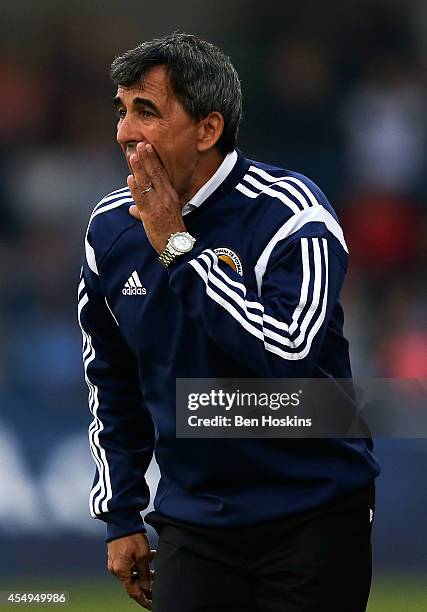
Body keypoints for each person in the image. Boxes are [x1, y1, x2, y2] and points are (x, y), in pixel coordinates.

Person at [78, 33, 379, 612]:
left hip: (313, 511)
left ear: (208, 130)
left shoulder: (294, 214)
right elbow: (112, 382)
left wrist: (178, 250)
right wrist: (120, 515)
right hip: (196, 520)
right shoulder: (110, 230)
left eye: (146, 112)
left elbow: (286, 356)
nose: (124, 133)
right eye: (121, 112)